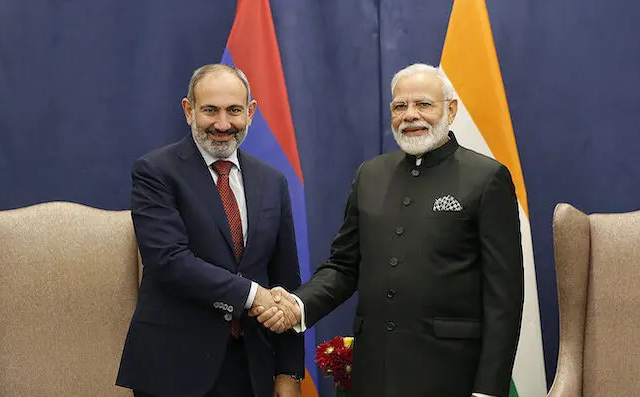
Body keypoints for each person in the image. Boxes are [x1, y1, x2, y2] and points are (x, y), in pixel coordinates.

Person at [253, 63, 524, 397]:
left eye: (423, 104)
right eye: (400, 106)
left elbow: (504, 298)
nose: (410, 115)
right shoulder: (371, 175)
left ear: (450, 110)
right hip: (373, 375)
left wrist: (488, 390)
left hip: (452, 374)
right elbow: (344, 266)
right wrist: (298, 304)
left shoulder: (486, 178)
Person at [116, 64, 304, 397]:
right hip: (175, 367)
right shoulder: (155, 172)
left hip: (251, 367)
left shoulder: (272, 181)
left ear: (251, 112)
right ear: (188, 111)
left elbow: (285, 280)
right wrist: (252, 295)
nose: (222, 124)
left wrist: (288, 370)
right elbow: (169, 260)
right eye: (210, 110)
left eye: (234, 111)